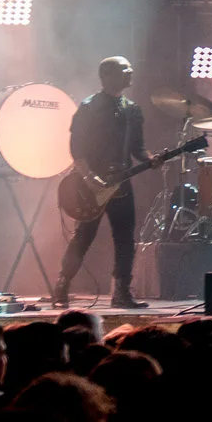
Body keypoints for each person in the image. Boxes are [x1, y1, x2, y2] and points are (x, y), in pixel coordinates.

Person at [56, 56, 148, 309]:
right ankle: (62, 285)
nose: (130, 72)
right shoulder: (89, 107)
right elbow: (77, 148)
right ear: (106, 75)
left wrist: (151, 158)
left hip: (121, 183)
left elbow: (138, 148)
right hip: (90, 185)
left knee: (125, 238)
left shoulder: (132, 109)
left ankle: (122, 292)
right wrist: (89, 177)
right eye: (124, 69)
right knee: (84, 236)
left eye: (130, 69)